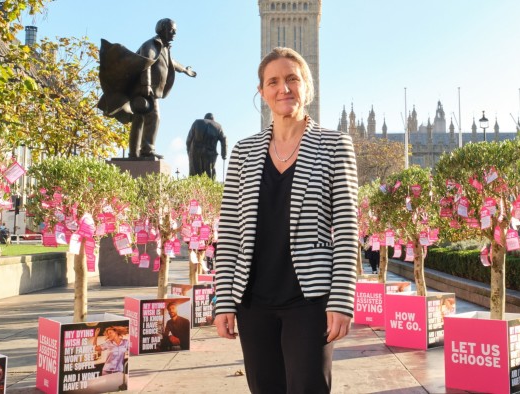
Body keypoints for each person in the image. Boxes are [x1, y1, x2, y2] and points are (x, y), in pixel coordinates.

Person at [213, 47, 359, 393]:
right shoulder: (243, 152)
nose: (284, 89)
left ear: (308, 87)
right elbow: (231, 231)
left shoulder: (335, 145)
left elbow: (348, 227)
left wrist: (342, 300)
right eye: (274, 81)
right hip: (253, 300)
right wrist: (223, 300)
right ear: (262, 92)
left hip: (310, 300)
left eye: (293, 79)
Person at [127, 18, 196, 159]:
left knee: (139, 119)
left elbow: (172, 63)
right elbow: (145, 63)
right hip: (145, 88)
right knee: (154, 117)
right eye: (172, 29)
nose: (175, 32)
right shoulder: (151, 45)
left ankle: (134, 153)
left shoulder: (164, 48)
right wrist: (146, 84)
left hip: (149, 89)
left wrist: (185, 70)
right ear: (162, 29)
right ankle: (147, 151)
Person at [187, 113, 228, 178]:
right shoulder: (218, 126)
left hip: (195, 154)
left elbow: (188, 140)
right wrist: (224, 155)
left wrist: (189, 153)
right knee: (209, 177)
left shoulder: (197, 123)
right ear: (213, 119)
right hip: (210, 155)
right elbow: (224, 139)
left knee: (195, 176)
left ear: (205, 118)